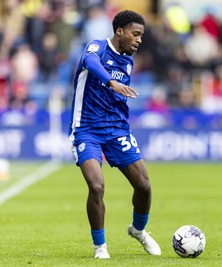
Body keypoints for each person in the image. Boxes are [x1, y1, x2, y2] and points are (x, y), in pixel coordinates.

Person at [68, 10, 161, 259]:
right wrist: (111, 82)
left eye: (142, 35)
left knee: (144, 186)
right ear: (119, 31)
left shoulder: (128, 61)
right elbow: (91, 63)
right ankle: (101, 247)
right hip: (86, 129)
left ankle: (138, 230)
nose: (139, 40)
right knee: (96, 186)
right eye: (136, 34)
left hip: (117, 129)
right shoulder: (97, 46)